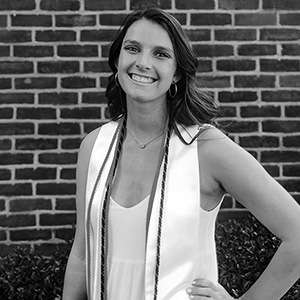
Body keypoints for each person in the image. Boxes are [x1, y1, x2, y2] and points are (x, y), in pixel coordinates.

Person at [62, 6, 300, 300]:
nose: (142, 63)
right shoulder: (95, 147)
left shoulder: (206, 149)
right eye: (132, 48)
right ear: (117, 59)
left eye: (160, 54)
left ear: (176, 74)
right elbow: (82, 255)